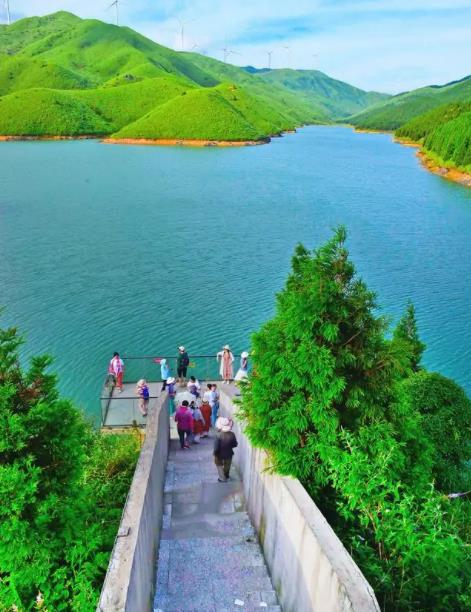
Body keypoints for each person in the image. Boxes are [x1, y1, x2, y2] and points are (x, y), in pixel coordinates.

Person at [213, 417, 238, 482]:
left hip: (219, 453)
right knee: (227, 465)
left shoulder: (218, 435)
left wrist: (215, 453)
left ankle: (222, 478)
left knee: (219, 465)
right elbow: (235, 444)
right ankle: (226, 476)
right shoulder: (232, 434)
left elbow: (216, 446)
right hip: (229, 452)